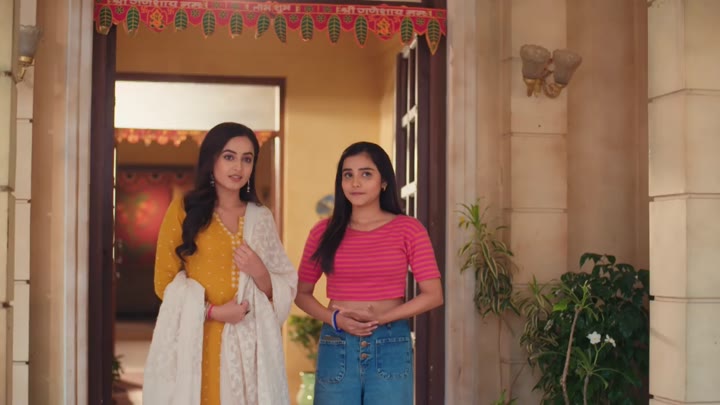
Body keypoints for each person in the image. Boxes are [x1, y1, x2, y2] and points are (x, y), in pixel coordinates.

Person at [144, 122, 297, 405]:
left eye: (247, 159)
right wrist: (213, 312)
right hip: (199, 338)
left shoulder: (261, 217)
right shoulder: (185, 211)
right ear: (211, 159)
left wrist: (260, 271)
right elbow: (164, 282)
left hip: (250, 344)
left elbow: (282, 289)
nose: (238, 167)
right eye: (229, 156)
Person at [294, 141, 444, 405]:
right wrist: (336, 319)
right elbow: (301, 293)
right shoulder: (323, 232)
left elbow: (433, 295)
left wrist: (383, 317)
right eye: (348, 175)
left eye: (366, 174)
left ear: (383, 181)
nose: (355, 183)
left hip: (390, 341)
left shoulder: (409, 229)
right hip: (337, 342)